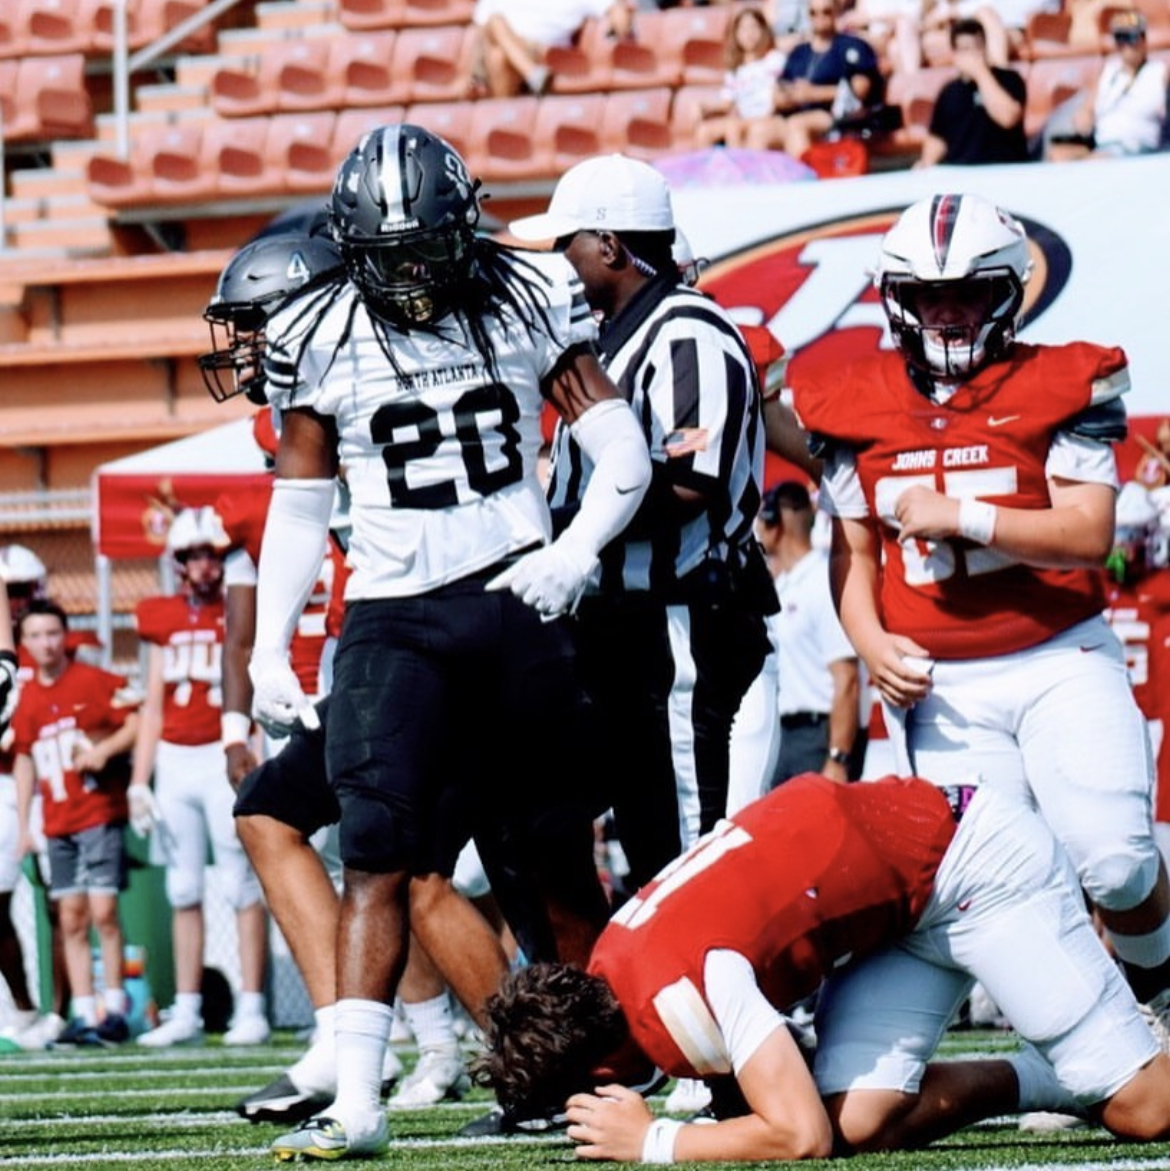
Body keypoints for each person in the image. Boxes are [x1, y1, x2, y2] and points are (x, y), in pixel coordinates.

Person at [248, 123, 651, 1159]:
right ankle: (358, 1097)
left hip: (513, 594)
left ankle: (614, 1068)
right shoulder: (319, 327)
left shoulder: (526, 296)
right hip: (394, 616)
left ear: (462, 230)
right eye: (391, 259)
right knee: (378, 850)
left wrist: (574, 550)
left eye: (429, 248)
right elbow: (300, 506)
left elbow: (622, 453)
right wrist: (266, 649)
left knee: (555, 856)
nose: (414, 277)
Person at [789, 192, 1170, 1039]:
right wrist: (869, 637)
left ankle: (1161, 990)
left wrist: (963, 515)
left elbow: (1087, 534)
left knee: (1114, 857)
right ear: (898, 300)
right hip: (941, 678)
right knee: (1008, 886)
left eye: (965, 291)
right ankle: (1098, 1042)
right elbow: (852, 550)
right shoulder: (851, 396)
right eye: (928, 295)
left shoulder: (1058, 377)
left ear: (1007, 292)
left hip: (1057, 652)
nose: (947, 310)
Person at [478, 772, 1170, 1161]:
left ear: (599, 1074)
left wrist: (657, 1139)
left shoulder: (681, 993)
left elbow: (797, 1135)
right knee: (857, 1123)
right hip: (894, 916)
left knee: (1145, 1110)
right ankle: (1049, 1077)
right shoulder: (612, 963)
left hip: (974, 867)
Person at [508, 154, 773, 893]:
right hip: (622, 630)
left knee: (694, 846)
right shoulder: (606, 340)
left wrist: (571, 529)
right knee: (638, 842)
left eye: (569, 245)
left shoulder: (689, 331)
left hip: (687, 623)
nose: (559, 263)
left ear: (611, 247)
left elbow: (690, 484)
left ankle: (728, 1004)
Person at [129, 506, 271, 1048]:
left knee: (240, 881)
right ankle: (186, 1008)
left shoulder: (241, 606)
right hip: (176, 756)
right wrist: (141, 778)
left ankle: (252, 1007)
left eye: (210, 553)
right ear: (178, 561)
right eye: (192, 555)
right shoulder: (160, 616)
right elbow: (153, 706)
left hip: (222, 751)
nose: (203, 565)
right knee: (182, 885)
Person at [12, 600, 140, 1048]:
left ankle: (116, 1008)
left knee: (103, 912)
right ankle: (84, 1012)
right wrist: (27, 820)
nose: (46, 643)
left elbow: (136, 719)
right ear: (23, 643)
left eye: (53, 633)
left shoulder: (92, 680)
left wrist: (104, 751)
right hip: (57, 820)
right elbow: (25, 757)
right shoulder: (26, 698)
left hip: (97, 813)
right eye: (36, 635)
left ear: (65, 635)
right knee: (69, 918)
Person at [756, 480, 860, 786]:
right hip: (785, 736)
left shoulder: (821, 582)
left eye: (763, 520)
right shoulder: (785, 585)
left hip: (818, 737)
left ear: (778, 523)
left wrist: (838, 758)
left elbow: (847, 678)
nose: (758, 530)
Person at [744, 0, 880, 160]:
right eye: (813, 13)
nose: (820, 17)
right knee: (759, 130)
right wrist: (785, 97)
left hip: (835, 115)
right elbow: (780, 88)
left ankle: (803, 180)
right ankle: (756, 182)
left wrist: (813, 94)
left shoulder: (853, 46)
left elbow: (860, 89)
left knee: (797, 125)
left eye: (826, 11)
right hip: (795, 112)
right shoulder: (798, 53)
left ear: (836, 12)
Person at [1046, 10, 1167, 161]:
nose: (1126, 45)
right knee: (1059, 156)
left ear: (1143, 40)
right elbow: (1086, 111)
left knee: (1098, 161)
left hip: (1136, 146)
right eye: (1120, 38)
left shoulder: (1159, 72)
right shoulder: (1108, 73)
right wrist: (1084, 118)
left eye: (1131, 38)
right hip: (1103, 144)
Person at [915, 18, 1027, 167]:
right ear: (955, 54)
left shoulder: (1009, 79)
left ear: (985, 48)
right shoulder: (949, 91)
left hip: (1004, 169)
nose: (972, 55)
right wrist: (926, 163)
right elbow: (938, 137)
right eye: (965, 49)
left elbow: (1008, 118)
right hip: (961, 172)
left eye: (976, 48)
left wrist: (981, 74)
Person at [470, 0, 634, 97]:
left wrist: (618, 31)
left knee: (496, 33)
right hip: (512, 47)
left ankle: (507, 113)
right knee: (498, 53)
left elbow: (616, 8)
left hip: (550, 53)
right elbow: (480, 23)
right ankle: (533, 74)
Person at [693, 7, 787, 150]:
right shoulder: (735, 70)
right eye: (743, 29)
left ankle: (739, 170)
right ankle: (707, 170)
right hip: (744, 119)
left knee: (734, 127)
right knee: (705, 131)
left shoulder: (774, 60)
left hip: (768, 118)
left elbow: (780, 93)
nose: (749, 34)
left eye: (754, 27)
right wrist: (703, 107)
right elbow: (726, 103)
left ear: (764, 31)